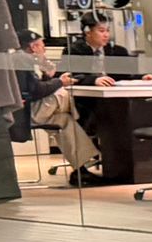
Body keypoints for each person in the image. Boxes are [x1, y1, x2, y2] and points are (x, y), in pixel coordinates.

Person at [21, 32, 101, 179]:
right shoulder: (23, 63)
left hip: (40, 110)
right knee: (64, 92)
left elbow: (42, 86)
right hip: (28, 112)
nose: (44, 49)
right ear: (33, 47)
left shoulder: (35, 64)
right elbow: (36, 90)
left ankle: (80, 170)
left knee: (66, 120)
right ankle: (87, 120)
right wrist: (59, 81)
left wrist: (49, 74)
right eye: (42, 45)